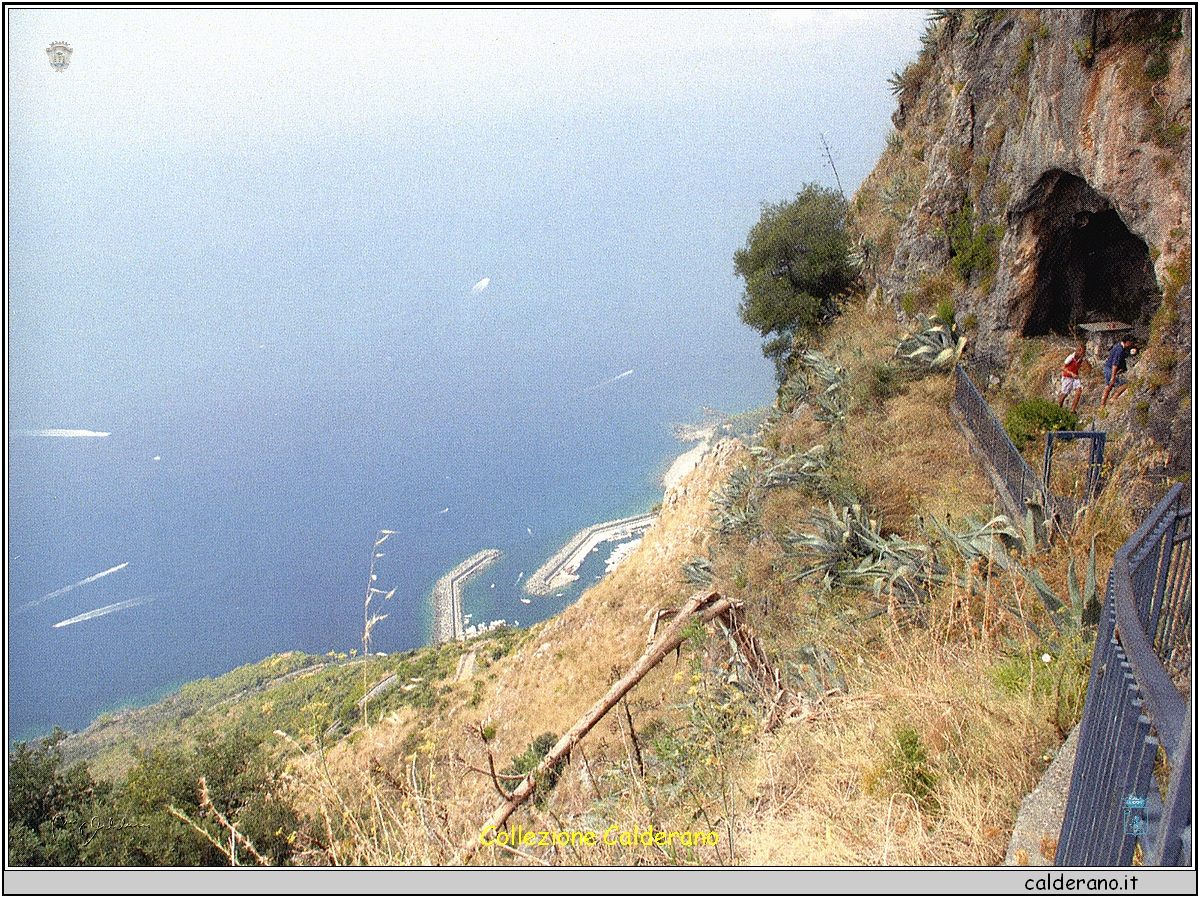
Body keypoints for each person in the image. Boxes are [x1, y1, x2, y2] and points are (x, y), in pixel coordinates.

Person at [1101, 337, 1137, 408]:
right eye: (1131, 343)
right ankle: (1114, 398)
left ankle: (1102, 405)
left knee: (1108, 386)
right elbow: (1115, 365)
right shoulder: (1119, 350)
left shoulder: (1118, 346)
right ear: (1127, 342)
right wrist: (1113, 377)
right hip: (1110, 370)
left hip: (1107, 368)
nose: (1131, 345)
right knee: (1126, 383)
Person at [1058, 343, 1089, 412]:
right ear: (1078, 351)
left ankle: (1073, 410)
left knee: (1078, 392)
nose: (1083, 354)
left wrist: (1086, 361)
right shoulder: (1071, 357)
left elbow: (1089, 368)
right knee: (1064, 394)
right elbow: (1063, 367)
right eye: (1082, 352)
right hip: (1067, 377)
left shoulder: (1081, 359)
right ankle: (1059, 409)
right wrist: (1071, 373)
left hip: (1075, 377)